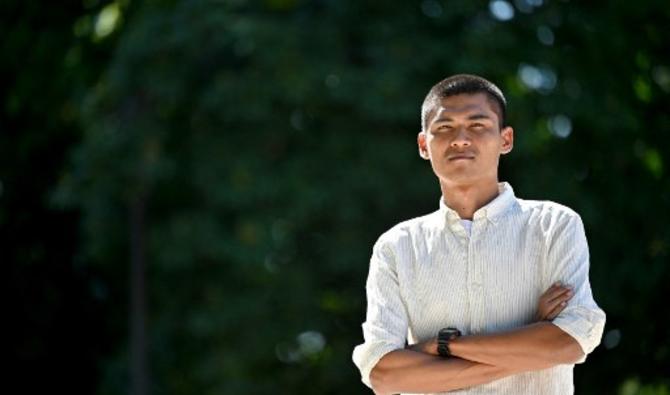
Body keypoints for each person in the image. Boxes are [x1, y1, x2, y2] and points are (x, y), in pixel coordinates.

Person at [351, 74, 606, 395]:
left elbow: (569, 342)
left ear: (506, 139)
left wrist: (441, 347)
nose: (460, 138)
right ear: (423, 145)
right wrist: (530, 337)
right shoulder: (396, 247)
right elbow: (385, 375)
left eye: (478, 125)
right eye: (444, 127)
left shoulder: (554, 225)